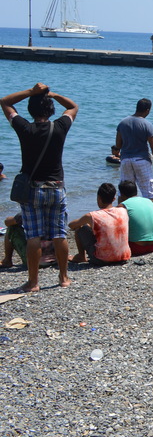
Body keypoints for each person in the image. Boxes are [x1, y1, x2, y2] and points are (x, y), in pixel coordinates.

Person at [1, 83, 78, 292]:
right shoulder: (60, 126)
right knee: (59, 234)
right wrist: (53, 94)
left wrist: (30, 92)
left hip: (33, 188)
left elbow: (5, 102)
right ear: (51, 109)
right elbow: (73, 107)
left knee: (33, 235)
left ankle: (34, 282)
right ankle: (63, 278)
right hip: (56, 187)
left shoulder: (25, 127)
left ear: (30, 110)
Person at [69, 183, 131, 266]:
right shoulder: (123, 211)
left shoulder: (92, 216)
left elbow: (71, 225)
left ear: (98, 198)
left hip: (103, 259)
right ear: (114, 199)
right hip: (124, 257)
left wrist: (87, 223)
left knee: (81, 228)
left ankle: (81, 256)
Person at [114, 98, 153, 199]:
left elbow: (118, 145)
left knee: (124, 191)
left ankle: (122, 213)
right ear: (148, 110)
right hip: (141, 160)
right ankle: (150, 213)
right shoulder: (147, 125)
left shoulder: (122, 123)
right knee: (148, 191)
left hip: (126, 160)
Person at [117, 180, 153, 256]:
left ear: (122, 194)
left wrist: (119, 203)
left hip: (136, 247)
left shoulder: (123, 206)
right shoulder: (149, 201)